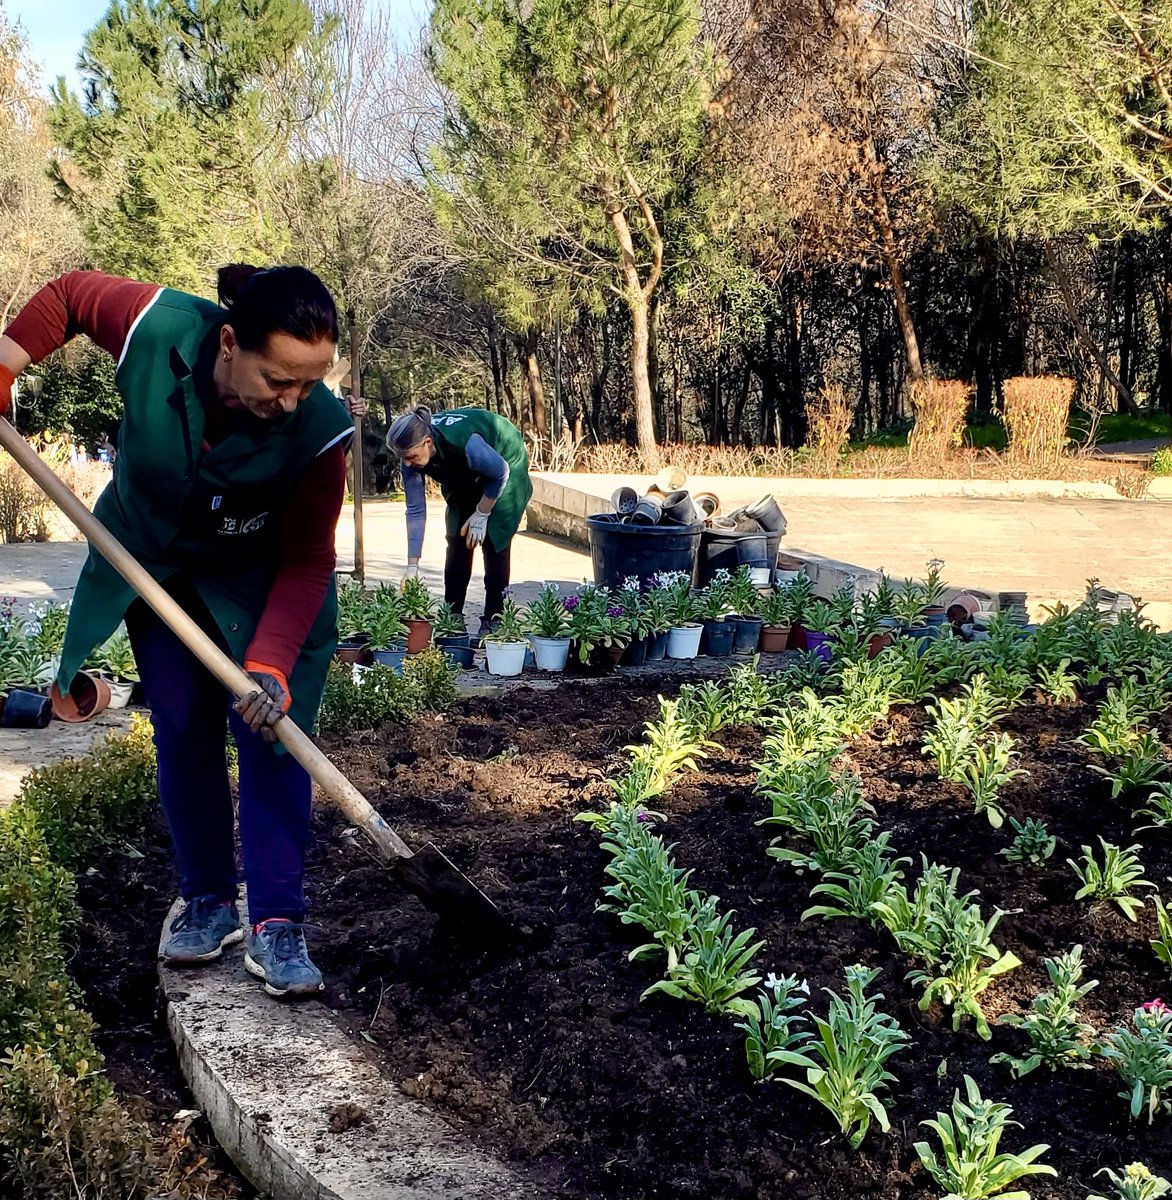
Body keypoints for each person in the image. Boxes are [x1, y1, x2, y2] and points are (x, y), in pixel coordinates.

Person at [0, 267, 354, 999]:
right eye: (279, 381)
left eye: (309, 384)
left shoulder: (319, 430)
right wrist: (5, 363)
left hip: (263, 586)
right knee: (183, 726)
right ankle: (208, 901)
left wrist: (272, 664)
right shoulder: (154, 327)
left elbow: (308, 560)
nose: (292, 402)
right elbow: (69, 296)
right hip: (157, 566)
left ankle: (278, 920)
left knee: (273, 733)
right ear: (229, 342)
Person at [386, 405, 532, 636]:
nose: (407, 464)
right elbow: (415, 510)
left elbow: (500, 472)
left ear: (427, 442)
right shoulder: (410, 458)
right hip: (463, 474)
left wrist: (482, 514)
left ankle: (494, 617)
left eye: (411, 457)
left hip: (505, 463)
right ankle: (452, 617)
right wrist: (412, 564)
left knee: (495, 540)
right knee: (457, 536)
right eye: (402, 458)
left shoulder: (466, 444)